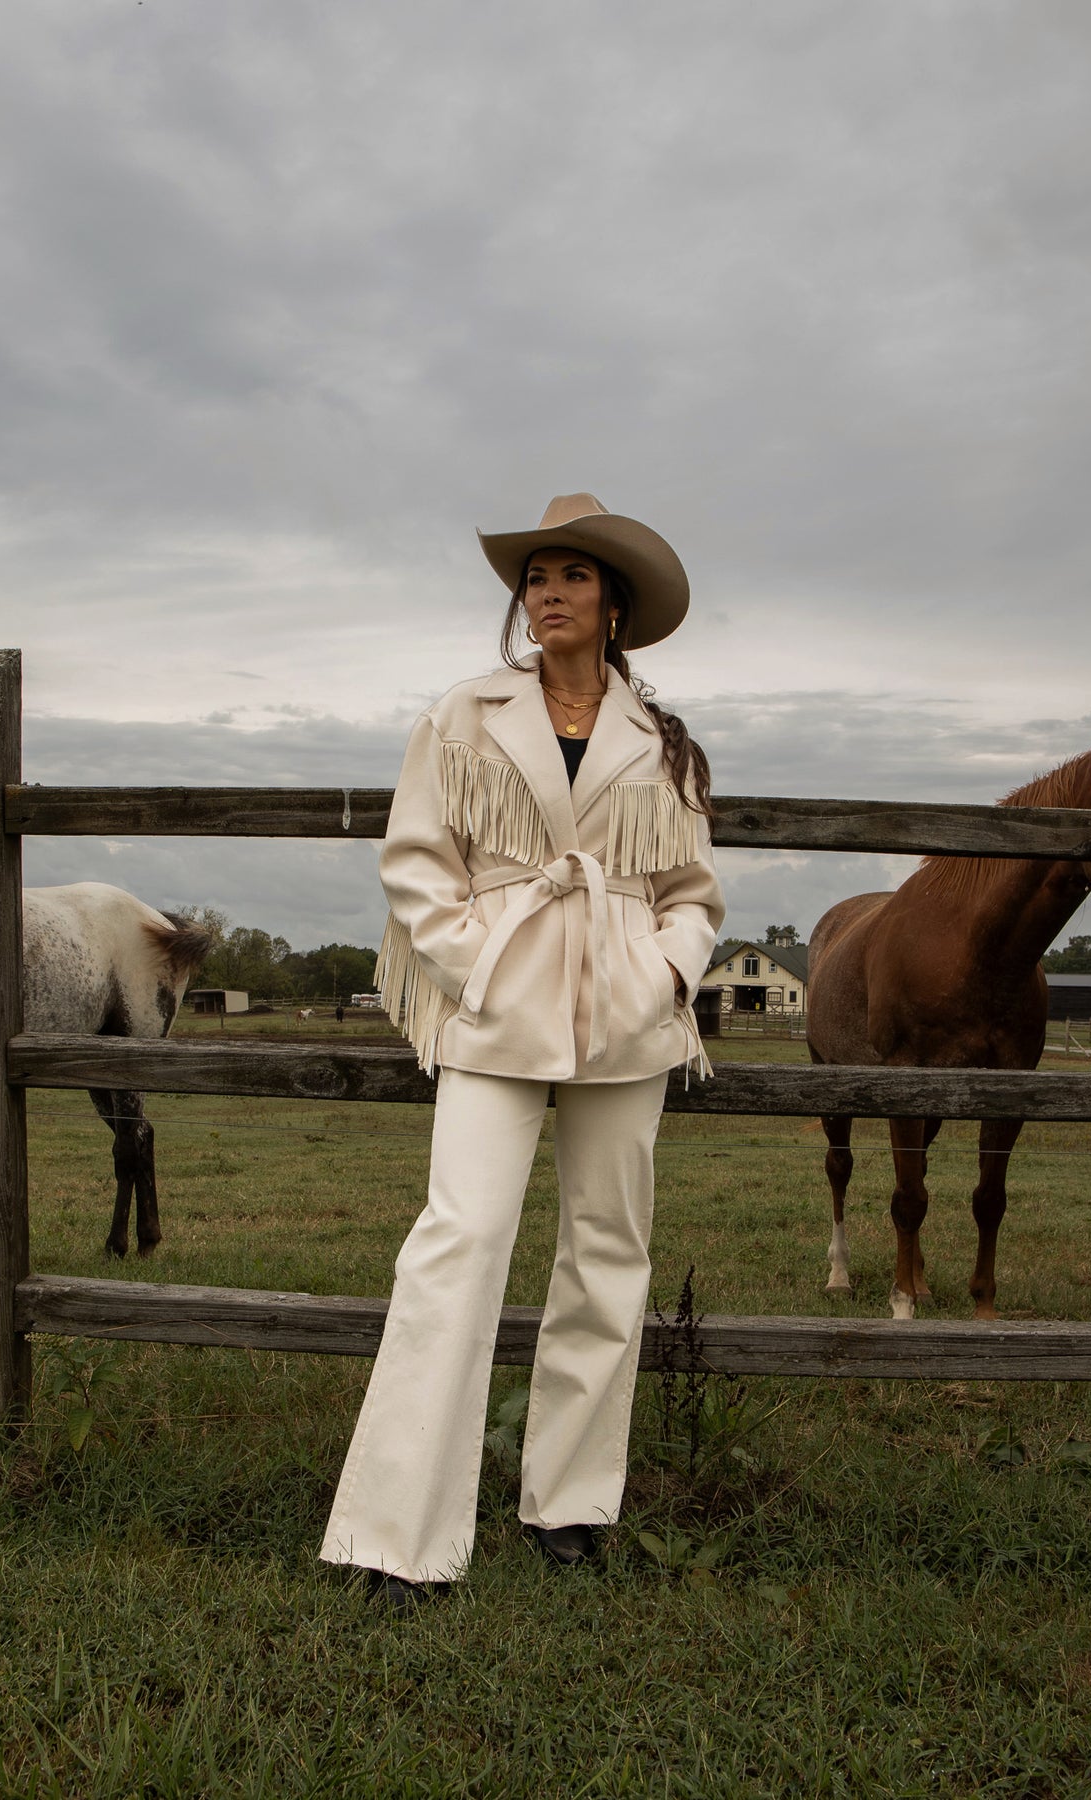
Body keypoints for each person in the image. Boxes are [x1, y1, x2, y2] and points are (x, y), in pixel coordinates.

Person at [319, 493, 725, 1608]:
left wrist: (661, 970)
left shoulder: (665, 742)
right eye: (535, 577)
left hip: (625, 1018)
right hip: (497, 1009)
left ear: (614, 605)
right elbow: (416, 862)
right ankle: (398, 1534)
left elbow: (693, 893)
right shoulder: (464, 713)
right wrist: (476, 962)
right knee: (458, 1241)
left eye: (572, 577)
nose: (546, 593)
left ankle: (571, 1505)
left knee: (607, 1248)